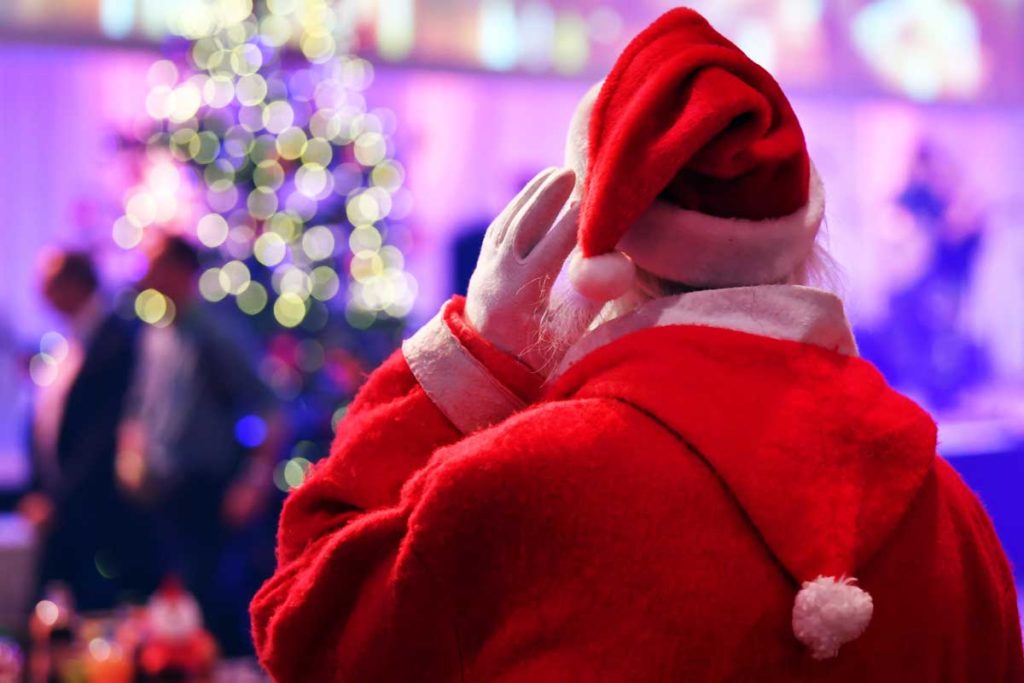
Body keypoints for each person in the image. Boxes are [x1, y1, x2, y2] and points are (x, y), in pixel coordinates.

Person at [251, 9, 1023, 682]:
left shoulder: (511, 489)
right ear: (802, 244)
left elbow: (305, 628)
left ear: (593, 261)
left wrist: (468, 363)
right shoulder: (949, 516)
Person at [117, 234, 285, 656]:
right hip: (161, 491)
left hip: (205, 490)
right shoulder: (156, 335)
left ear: (179, 270)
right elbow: (139, 406)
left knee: (209, 605)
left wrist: (253, 480)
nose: (145, 275)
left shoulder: (215, 334)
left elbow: (268, 405)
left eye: (155, 264)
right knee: (167, 608)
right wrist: (130, 454)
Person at [21, 250, 155, 610]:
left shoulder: (115, 340)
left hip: (92, 510)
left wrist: (58, 498)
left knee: (90, 613)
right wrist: (37, 490)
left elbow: (102, 432)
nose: (41, 294)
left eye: (49, 284)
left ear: (77, 284)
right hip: (60, 505)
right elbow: (46, 422)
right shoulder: (68, 342)